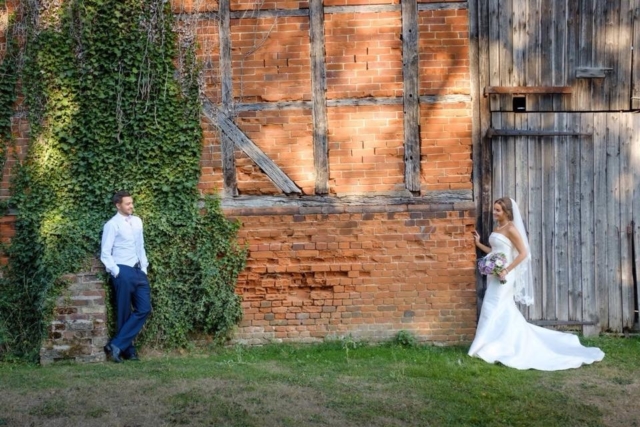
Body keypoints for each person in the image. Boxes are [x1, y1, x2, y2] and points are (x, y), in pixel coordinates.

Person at [468, 197, 604, 370]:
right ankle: (493, 344)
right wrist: (479, 244)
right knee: (496, 307)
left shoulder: (511, 229)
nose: (494, 213)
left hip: (506, 276)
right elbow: (495, 251)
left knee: (493, 306)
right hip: (497, 275)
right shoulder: (497, 228)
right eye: (494, 209)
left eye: (498, 210)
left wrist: (506, 270)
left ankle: (488, 346)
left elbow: (524, 253)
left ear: (507, 212)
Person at [100, 190, 151, 363]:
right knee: (123, 311)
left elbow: (141, 245)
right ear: (118, 205)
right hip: (122, 270)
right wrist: (117, 271)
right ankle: (127, 351)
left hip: (138, 271)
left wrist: (144, 268)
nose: (131, 206)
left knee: (144, 309)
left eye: (131, 203)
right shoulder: (112, 225)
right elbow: (105, 253)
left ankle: (116, 345)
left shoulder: (137, 221)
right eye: (128, 204)